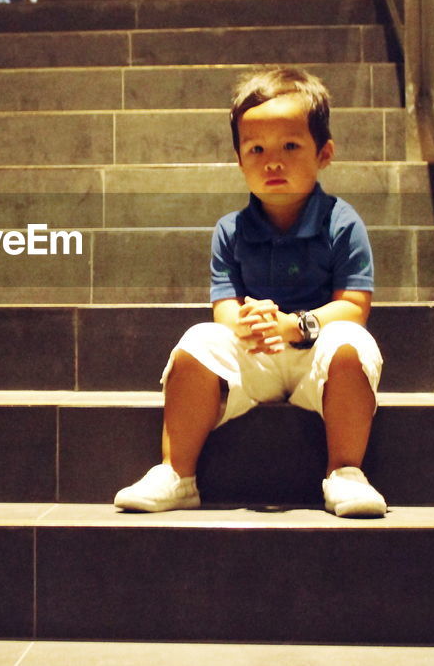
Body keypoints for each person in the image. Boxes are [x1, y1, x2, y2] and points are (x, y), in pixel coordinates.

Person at [113, 67, 386, 516]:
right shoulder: (230, 230)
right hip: (255, 355)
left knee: (353, 344)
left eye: (290, 146)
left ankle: (345, 473)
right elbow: (224, 309)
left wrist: (296, 326)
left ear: (325, 154)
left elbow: (354, 307)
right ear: (239, 159)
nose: (271, 161)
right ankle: (176, 473)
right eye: (255, 149)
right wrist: (248, 323)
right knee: (196, 341)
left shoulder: (342, 221)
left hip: (316, 355)